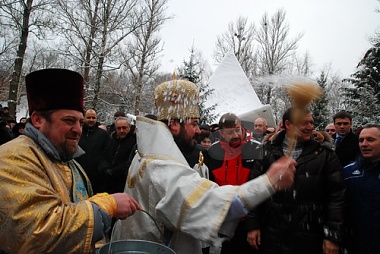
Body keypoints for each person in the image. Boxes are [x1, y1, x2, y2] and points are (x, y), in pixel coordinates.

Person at [113, 77, 296, 254]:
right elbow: (210, 203)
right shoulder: (162, 167)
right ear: (174, 124)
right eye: (193, 123)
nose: (198, 130)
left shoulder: (146, 154)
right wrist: (270, 182)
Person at [0, 68, 141, 253]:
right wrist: (108, 205)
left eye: (80, 122)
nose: (78, 129)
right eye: (69, 120)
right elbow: (37, 233)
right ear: (38, 120)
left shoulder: (68, 161)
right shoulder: (12, 157)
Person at [248, 107, 345, 254]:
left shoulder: (324, 154)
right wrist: (252, 226)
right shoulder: (267, 151)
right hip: (273, 232)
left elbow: (336, 197)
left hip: (311, 234)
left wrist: (332, 235)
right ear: (288, 124)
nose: (311, 127)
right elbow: (254, 191)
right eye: (304, 123)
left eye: (311, 123)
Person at [205, 113, 262, 253]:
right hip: (225, 217)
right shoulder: (213, 151)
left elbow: (261, 187)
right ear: (221, 133)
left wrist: (254, 224)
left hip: (250, 217)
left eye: (238, 130)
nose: (236, 135)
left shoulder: (256, 149)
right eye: (230, 132)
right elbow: (209, 184)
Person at [343, 124, 380, 253]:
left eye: (370, 140)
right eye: (361, 140)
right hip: (356, 244)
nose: (364, 144)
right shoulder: (348, 173)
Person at [76, 108, 112, 194]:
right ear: (84, 118)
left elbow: (107, 153)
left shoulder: (103, 135)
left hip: (96, 175)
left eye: (93, 118)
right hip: (78, 172)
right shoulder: (78, 132)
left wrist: (104, 167)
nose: (91, 120)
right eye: (88, 118)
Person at [106, 116, 137, 193]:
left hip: (123, 182)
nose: (121, 131)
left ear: (129, 127)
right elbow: (105, 155)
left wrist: (115, 171)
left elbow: (131, 161)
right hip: (108, 181)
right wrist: (104, 167)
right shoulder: (112, 139)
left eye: (124, 128)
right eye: (118, 128)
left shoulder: (135, 141)